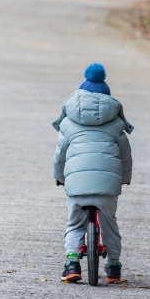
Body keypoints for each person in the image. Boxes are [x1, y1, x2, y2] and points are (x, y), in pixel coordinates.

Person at [53, 63, 133, 284]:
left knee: (75, 224)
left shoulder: (68, 124)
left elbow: (60, 155)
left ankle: (71, 263)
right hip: (107, 187)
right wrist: (124, 178)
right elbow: (126, 155)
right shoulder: (116, 124)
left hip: (77, 185)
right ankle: (114, 267)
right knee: (109, 223)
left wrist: (60, 177)